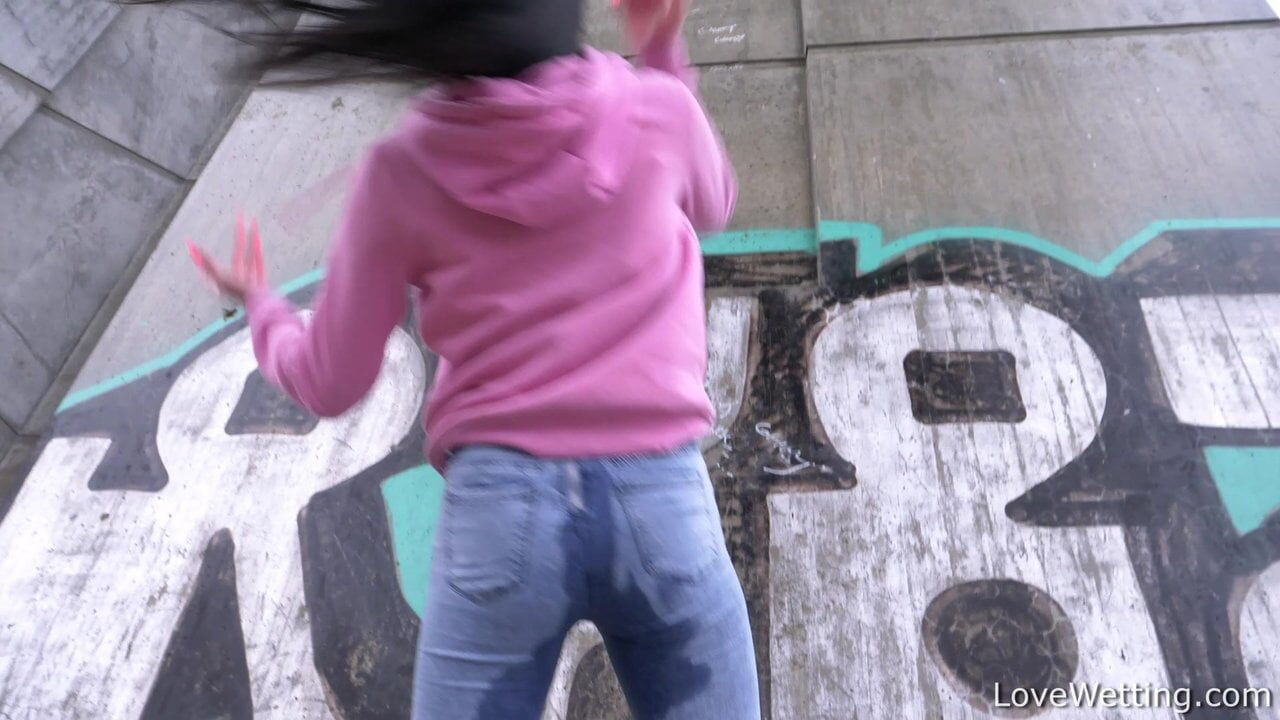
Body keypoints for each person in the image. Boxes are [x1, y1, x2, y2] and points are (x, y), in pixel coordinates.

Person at [188, 0, 759, 717]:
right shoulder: (657, 111)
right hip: (662, 503)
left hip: (500, 517)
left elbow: (329, 382)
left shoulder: (400, 174)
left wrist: (263, 309)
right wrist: (663, 53)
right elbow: (712, 203)